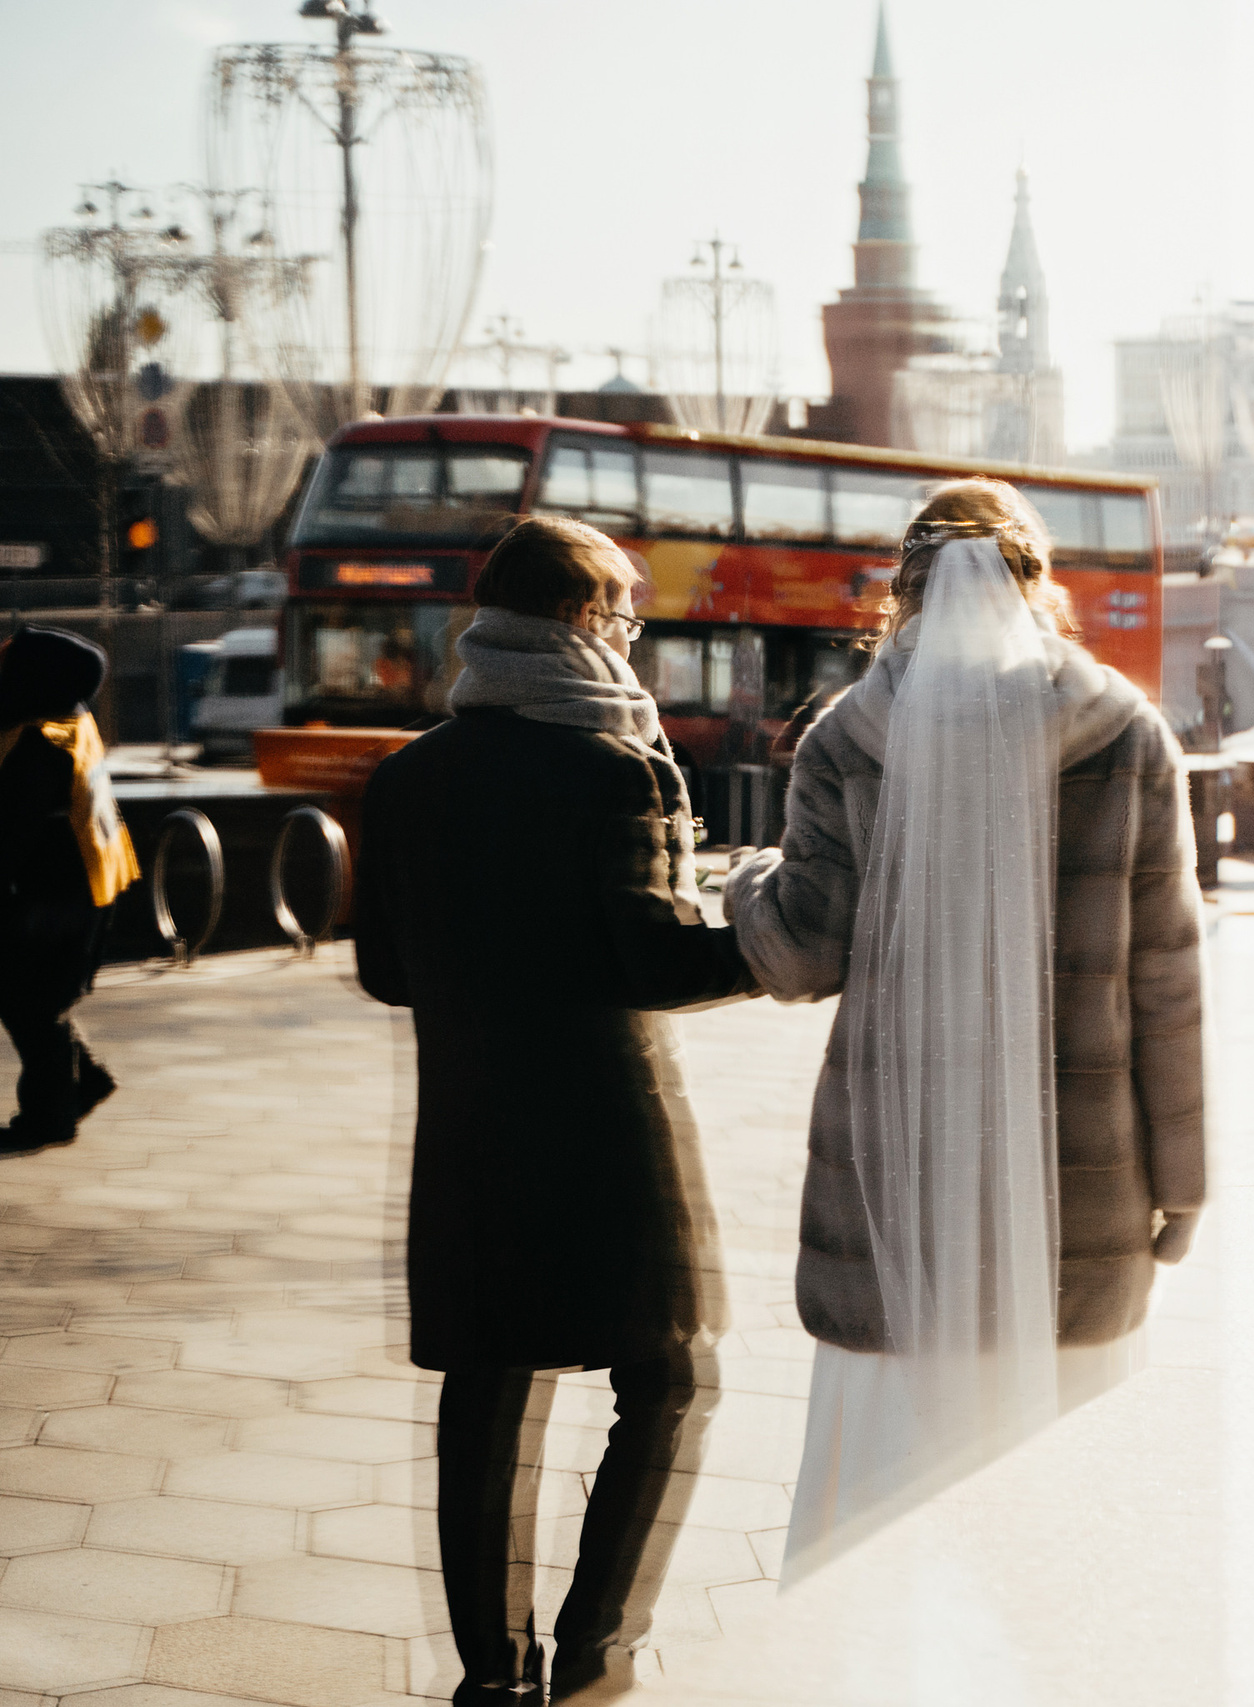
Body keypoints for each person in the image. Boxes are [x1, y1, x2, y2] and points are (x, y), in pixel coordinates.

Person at [725, 478, 1205, 1580]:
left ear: (901, 593)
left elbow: (800, 956)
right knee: (1063, 1516)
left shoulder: (847, 738)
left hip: (894, 1174)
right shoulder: (1127, 733)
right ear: (1040, 587)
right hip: (1079, 1177)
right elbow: (1167, 982)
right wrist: (1180, 1185)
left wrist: (749, 882)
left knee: (884, 1502)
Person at [356, 515, 760, 1703]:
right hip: (608, 1128)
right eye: (625, 614)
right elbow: (660, 966)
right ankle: (595, 1660)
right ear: (585, 619)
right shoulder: (617, 767)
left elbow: (385, 972)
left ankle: (492, 1677)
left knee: (487, 1386)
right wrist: (776, 934)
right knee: (670, 1377)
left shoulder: (407, 776)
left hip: (470, 1128)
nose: (631, 638)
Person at [0, 625, 138, 1155]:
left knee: (31, 1002)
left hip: (57, 891)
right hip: (88, 880)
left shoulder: (42, 740)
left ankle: (49, 1117)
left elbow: (13, 828)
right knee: (37, 998)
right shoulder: (68, 717)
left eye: (9, 659)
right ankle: (83, 1082)